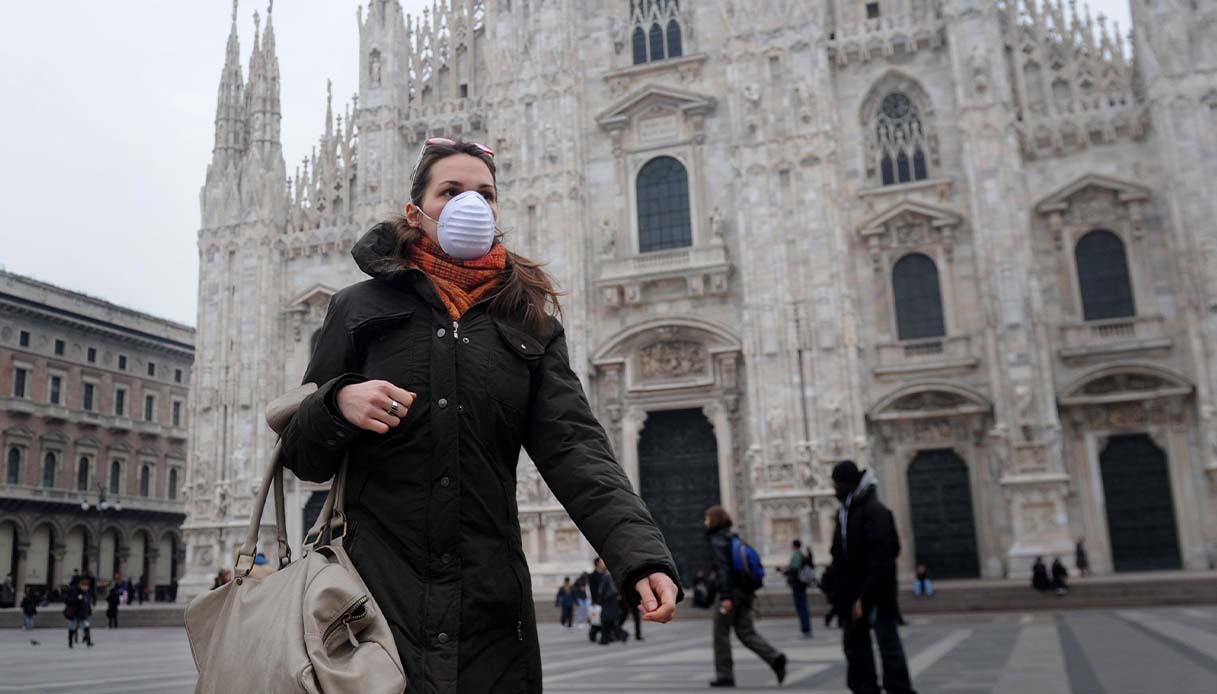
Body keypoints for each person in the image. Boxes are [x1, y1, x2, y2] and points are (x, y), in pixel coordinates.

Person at [280, 138, 681, 692]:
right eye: (451, 191)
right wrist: (337, 401)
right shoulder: (358, 307)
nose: (471, 203)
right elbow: (304, 456)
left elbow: (574, 448)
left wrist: (640, 556)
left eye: (485, 194)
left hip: (490, 605)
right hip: (373, 600)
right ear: (414, 211)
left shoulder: (528, 319)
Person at [829, 460, 917, 694]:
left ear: (848, 484)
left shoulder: (875, 512)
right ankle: (865, 688)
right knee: (855, 645)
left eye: (837, 484)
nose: (834, 489)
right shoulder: (844, 514)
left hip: (876, 591)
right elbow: (839, 553)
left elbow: (887, 552)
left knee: (887, 642)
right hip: (852, 591)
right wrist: (833, 583)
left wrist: (868, 591)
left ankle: (899, 689)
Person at [705, 505, 787, 688]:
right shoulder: (732, 537)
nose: (705, 522)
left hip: (730, 594)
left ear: (714, 520)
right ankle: (775, 658)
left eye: (707, 518)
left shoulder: (718, 539)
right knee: (746, 632)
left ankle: (725, 675)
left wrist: (725, 596)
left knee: (721, 634)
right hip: (744, 593)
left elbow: (723, 569)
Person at [588, 558, 623, 645]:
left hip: (606, 601)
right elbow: (593, 590)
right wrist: (594, 601)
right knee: (597, 620)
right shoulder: (593, 575)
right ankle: (594, 634)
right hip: (598, 601)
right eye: (602, 562)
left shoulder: (605, 574)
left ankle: (608, 636)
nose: (604, 563)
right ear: (597, 564)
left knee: (606, 619)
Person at [783, 539, 814, 638]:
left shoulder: (797, 555)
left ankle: (806, 629)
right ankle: (806, 629)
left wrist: (784, 571)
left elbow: (793, 568)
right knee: (803, 606)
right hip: (801, 584)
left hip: (797, 584)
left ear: (794, 546)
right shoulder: (802, 555)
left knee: (801, 607)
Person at [64, 576, 94, 648]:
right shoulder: (76, 591)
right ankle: (70, 643)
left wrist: (89, 610)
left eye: (86, 586)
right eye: (84, 586)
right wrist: (77, 599)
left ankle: (88, 642)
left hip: (83, 613)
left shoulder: (86, 593)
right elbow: (70, 601)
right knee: (72, 627)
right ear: (81, 585)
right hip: (74, 613)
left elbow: (87, 603)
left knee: (86, 626)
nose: (85, 588)